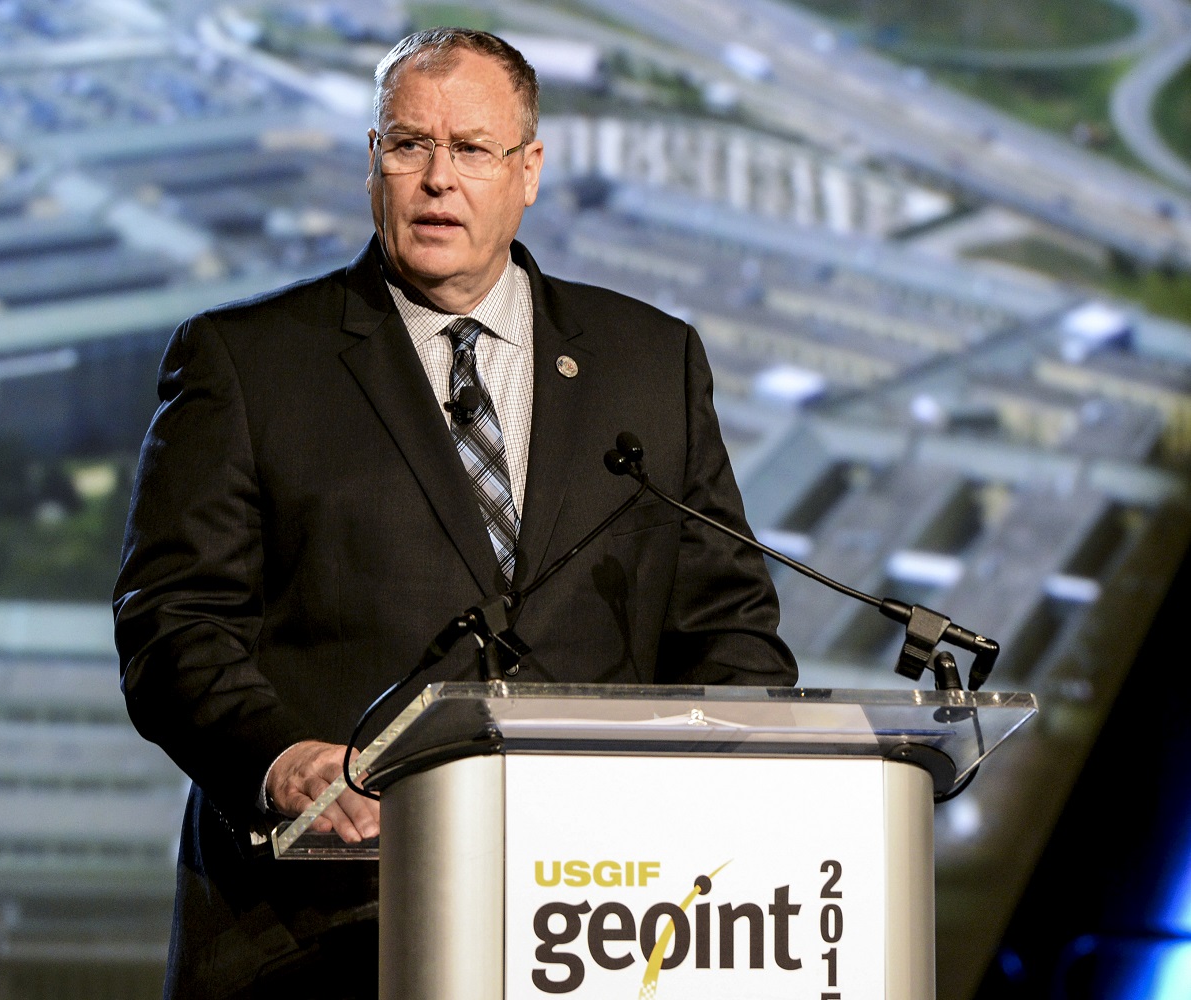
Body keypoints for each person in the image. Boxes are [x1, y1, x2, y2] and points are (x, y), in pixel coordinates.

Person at [113, 26, 797, 999]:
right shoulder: (249, 362)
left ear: (529, 171)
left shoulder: (651, 361)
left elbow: (729, 625)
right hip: (319, 933)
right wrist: (279, 759)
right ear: (372, 164)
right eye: (408, 144)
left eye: (471, 149)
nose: (438, 178)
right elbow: (170, 623)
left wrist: (735, 774)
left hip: (600, 924)